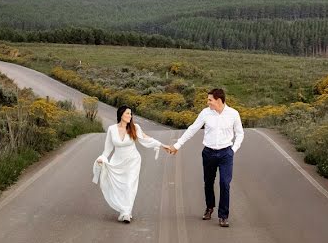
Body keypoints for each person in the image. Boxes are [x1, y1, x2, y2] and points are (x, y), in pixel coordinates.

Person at [168, 88, 243, 227]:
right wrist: (177, 145)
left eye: (210, 100)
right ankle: (209, 207)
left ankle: (223, 216)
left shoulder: (233, 114)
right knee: (208, 182)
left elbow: (240, 133)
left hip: (226, 153)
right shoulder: (205, 113)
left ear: (219, 100)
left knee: (225, 184)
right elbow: (192, 129)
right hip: (208, 153)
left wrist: (233, 150)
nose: (207, 102)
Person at [94, 105, 172, 223]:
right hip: (117, 162)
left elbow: (146, 138)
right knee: (120, 188)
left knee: (129, 185)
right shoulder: (112, 129)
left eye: (131, 114)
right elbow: (107, 149)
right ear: (121, 115)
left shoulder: (135, 128)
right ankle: (124, 209)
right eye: (127, 113)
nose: (130, 116)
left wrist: (162, 145)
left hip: (132, 161)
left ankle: (126, 213)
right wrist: (102, 158)